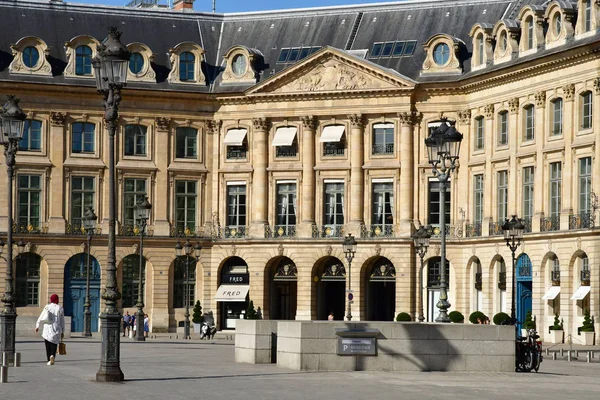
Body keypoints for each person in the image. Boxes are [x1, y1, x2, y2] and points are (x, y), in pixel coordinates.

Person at [35, 294, 65, 366]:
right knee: (54, 343)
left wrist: (37, 325)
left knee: (47, 344)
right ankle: (52, 356)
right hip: (56, 327)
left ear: (51, 299)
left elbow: (41, 316)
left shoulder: (47, 307)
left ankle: (49, 359)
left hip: (47, 327)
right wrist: (63, 331)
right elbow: (62, 321)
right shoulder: (60, 308)